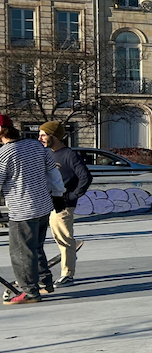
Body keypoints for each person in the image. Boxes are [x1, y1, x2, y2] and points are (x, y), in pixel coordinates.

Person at [0, 126, 62, 304]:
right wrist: (58, 194)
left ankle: (30, 291)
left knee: (21, 252)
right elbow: (53, 172)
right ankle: (45, 281)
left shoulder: (5, 153)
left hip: (22, 211)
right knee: (36, 246)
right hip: (43, 205)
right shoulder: (36, 146)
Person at [39, 121, 91, 287]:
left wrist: (73, 195)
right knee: (59, 238)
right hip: (51, 203)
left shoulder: (69, 154)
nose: (39, 138)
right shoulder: (49, 154)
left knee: (64, 240)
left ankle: (67, 274)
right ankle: (69, 260)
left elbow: (86, 177)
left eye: (43, 134)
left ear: (53, 136)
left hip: (64, 204)